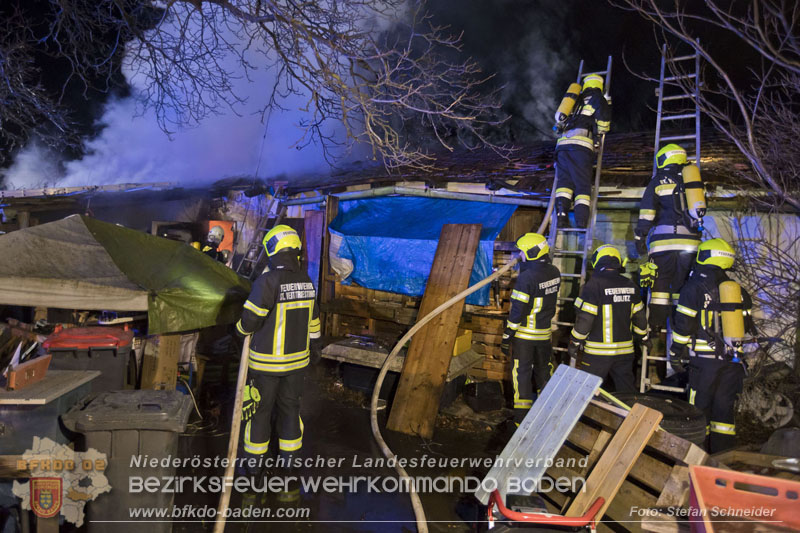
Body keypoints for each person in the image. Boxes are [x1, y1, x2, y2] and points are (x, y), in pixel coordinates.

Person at [235, 224, 321, 463]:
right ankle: (290, 458)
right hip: (297, 364)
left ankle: (254, 465)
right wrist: (316, 346)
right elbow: (314, 320)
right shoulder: (306, 281)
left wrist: (238, 331)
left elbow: (250, 320)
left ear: (272, 250)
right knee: (290, 408)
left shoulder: (267, 282)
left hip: (266, 365)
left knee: (260, 411)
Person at [670, 238, 755, 453]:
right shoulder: (738, 291)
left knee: (698, 410)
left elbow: (684, 324)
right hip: (732, 362)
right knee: (724, 414)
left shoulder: (695, 287)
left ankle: (696, 457)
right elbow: (746, 326)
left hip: (705, 364)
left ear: (705, 256)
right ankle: (723, 457)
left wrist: (676, 351)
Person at [634, 144, 702, 341]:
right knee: (683, 288)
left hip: (663, 245)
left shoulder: (658, 181)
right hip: (690, 245)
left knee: (660, 288)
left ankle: (655, 327)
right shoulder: (693, 182)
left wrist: (640, 237)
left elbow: (647, 213)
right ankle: (683, 328)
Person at [568, 245, 649, 392]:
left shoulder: (593, 286)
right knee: (626, 392)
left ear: (597, 262)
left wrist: (574, 342)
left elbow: (585, 319)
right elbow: (640, 318)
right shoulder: (631, 286)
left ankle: (587, 416)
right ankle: (630, 415)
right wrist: (643, 338)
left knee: (587, 392)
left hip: (597, 353)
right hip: (625, 352)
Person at [500, 233, 561, 425]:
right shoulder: (554, 271)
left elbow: (517, 311)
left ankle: (521, 419)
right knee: (544, 372)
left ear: (532, 253)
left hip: (525, 336)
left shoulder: (527, 278)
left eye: (523, 251)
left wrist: (507, 336)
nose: (520, 254)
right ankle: (546, 415)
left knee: (522, 375)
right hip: (544, 334)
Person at [554, 73, 611, 228]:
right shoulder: (598, 99)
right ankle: (581, 222)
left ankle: (561, 216)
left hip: (562, 147)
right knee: (582, 185)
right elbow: (604, 124)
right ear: (600, 86)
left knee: (564, 184)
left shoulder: (573, 100)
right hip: (580, 147)